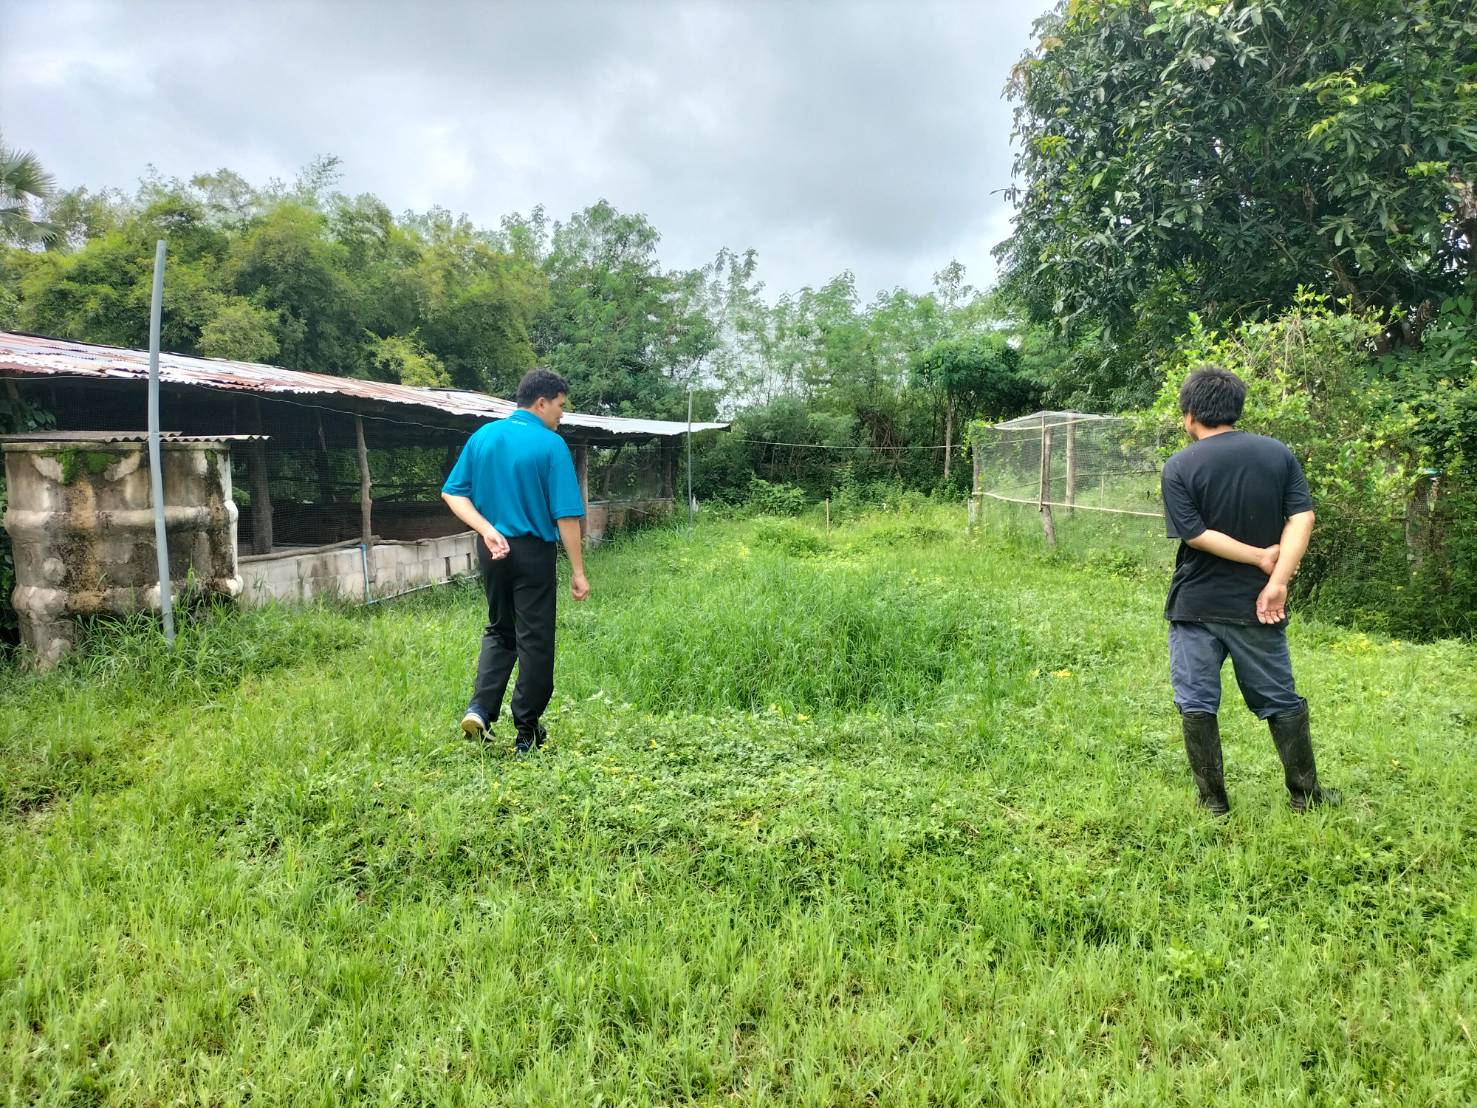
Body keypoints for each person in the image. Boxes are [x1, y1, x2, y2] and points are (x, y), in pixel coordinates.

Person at [1161, 366, 1342, 815]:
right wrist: (1276, 579)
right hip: (1258, 605)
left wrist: (1261, 557)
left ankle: (1213, 804)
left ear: (1189, 415)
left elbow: (1195, 535)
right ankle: (1305, 797)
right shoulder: (1277, 454)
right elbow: (1302, 518)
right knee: (1280, 697)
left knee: (1196, 702)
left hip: (1196, 605)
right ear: (1235, 409)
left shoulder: (1179, 466)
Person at [441, 368, 590, 754]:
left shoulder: (483, 437)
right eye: (560, 405)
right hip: (533, 552)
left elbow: (453, 493)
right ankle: (526, 730)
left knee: (500, 629)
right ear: (541, 402)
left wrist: (486, 529)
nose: (562, 414)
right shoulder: (551, 445)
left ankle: (480, 709)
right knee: (535, 639)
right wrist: (578, 571)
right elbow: (566, 516)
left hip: (492, 550)